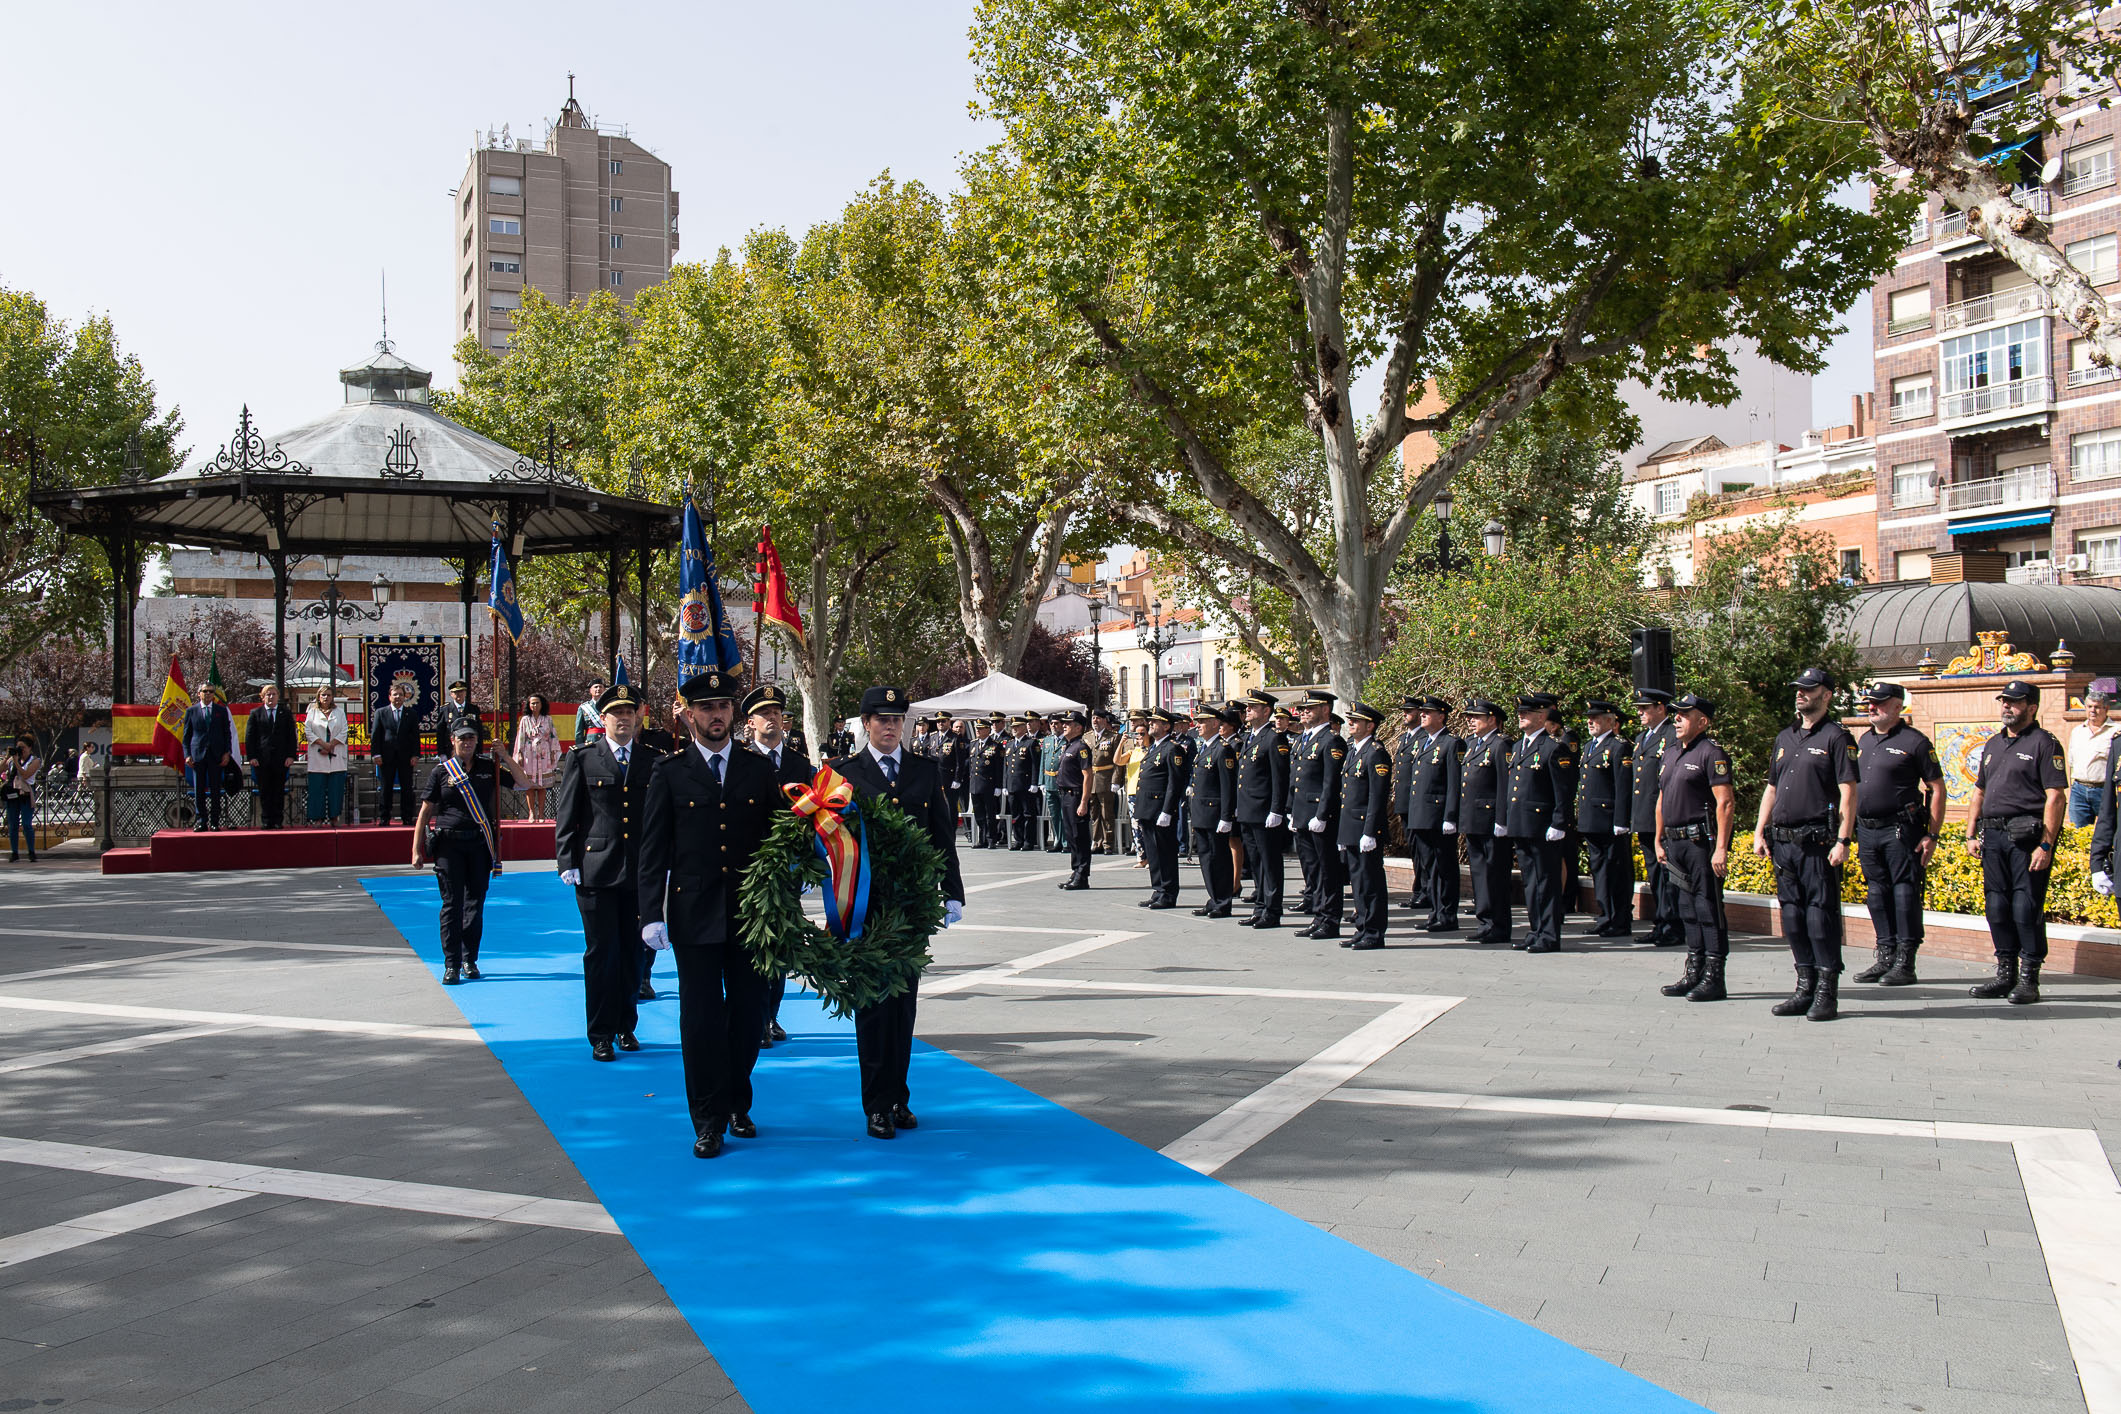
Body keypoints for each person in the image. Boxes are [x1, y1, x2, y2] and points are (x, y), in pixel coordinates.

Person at [639, 669, 781, 1157]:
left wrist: (790, 884)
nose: (716, 715)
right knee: (699, 1020)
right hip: (692, 914)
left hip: (749, 917)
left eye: (723, 707)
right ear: (689, 713)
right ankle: (707, 1119)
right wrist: (649, 915)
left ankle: (737, 1101)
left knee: (748, 1015)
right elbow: (653, 850)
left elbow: (773, 839)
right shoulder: (669, 771)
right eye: (706, 708)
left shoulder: (758, 769)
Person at [828, 685, 966, 1140]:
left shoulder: (925, 772)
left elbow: (942, 835)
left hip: (911, 906)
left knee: (903, 1006)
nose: (890, 727)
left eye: (897, 720)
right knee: (872, 1006)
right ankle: (876, 1105)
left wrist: (952, 891)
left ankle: (898, 1096)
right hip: (866, 906)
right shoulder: (845, 773)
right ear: (865, 723)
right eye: (881, 720)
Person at [555, 682, 663, 1061]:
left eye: (629, 713)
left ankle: (625, 1026)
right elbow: (568, 814)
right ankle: (600, 1032)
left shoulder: (653, 760)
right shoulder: (584, 757)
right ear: (603, 719)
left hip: (639, 872)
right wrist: (567, 860)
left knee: (634, 952)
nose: (624, 719)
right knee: (602, 954)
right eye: (616, 713)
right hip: (596, 871)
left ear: (638, 718)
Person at [1751, 668, 1860, 1021]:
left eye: (1809, 690)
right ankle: (1804, 986)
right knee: (1793, 917)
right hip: (1783, 842)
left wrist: (1843, 839)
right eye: (1798, 689)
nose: (1801, 694)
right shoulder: (1785, 737)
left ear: (1826, 695)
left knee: (1819, 916)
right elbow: (1771, 788)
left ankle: (1827, 991)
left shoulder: (1837, 738)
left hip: (1817, 841)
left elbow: (1848, 792)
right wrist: (1758, 831)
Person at [1966, 680, 2067, 1006]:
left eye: (2014, 702)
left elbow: (2056, 797)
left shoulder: (2044, 743)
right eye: (2004, 701)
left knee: (2026, 907)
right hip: (1992, 837)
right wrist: (1970, 833)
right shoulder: (1994, 743)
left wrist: (2046, 846)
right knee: (1997, 907)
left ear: (2032, 707)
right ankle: (2005, 972)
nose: (2006, 706)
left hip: (2025, 839)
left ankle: (2029, 978)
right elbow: (1979, 791)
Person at [1851, 682, 1945, 988]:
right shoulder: (1863, 740)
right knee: (1876, 893)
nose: (1871, 707)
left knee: (1904, 892)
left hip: (1900, 829)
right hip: (1867, 829)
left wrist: (1932, 834)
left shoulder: (1914, 742)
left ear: (1897, 706)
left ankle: (1906, 961)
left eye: (1878, 703)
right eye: (1869, 703)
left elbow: (1937, 788)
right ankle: (1885, 955)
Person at [411, 721, 517, 984]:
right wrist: (416, 850)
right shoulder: (441, 772)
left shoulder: (487, 767)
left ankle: (470, 959)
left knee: (475, 905)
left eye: (472, 738)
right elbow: (425, 811)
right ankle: (452, 964)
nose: (467, 743)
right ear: (453, 740)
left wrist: (503, 756)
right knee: (451, 905)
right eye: (462, 738)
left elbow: (523, 782)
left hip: (479, 845)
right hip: (448, 845)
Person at [743, 683, 814, 1047]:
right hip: (748, 871)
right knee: (754, 947)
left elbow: (817, 818)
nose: (772, 719)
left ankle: (771, 1016)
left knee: (782, 946)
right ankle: (752, 1017)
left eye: (776, 714)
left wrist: (809, 866)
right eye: (764, 714)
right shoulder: (739, 761)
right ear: (750, 722)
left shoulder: (800, 765)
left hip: (788, 870)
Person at [1655, 694, 1738, 1001]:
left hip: (1700, 843)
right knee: (1687, 909)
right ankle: (1694, 971)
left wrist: (1721, 848)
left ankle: (1715, 976)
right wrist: (1658, 838)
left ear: (1702, 721)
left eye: (1684, 715)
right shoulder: (1672, 752)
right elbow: (1662, 798)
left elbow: (1725, 802)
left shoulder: (1710, 753)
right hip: (1675, 843)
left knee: (1708, 908)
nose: (1676, 718)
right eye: (1675, 714)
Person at [1501, 693, 1577, 954]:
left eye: (1528, 713)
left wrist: (1559, 823)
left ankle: (1549, 934)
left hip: (1543, 826)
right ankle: (1535, 930)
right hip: (1522, 825)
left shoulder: (1554, 748)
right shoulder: (1519, 746)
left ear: (1543, 716)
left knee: (1547, 881)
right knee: (1531, 882)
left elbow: (1563, 792)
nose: (1521, 716)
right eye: (1520, 712)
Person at [1397, 696, 1463, 932]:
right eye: (1421, 712)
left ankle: (1447, 914)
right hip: (1421, 815)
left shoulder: (1451, 743)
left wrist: (1450, 816)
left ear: (1441, 716)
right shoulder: (1424, 742)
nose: (1422, 715)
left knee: (1444, 867)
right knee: (1429, 867)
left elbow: (1455, 784)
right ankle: (1436, 911)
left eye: (1428, 712)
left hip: (1438, 816)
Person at [1291, 691, 1348, 940]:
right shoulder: (1303, 739)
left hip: (1320, 816)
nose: (1305, 712)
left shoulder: (1331, 740)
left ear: (1326, 710)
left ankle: (1330, 919)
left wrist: (1322, 814)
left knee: (1328, 870)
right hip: (1303, 813)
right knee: (1313, 871)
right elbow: (1297, 779)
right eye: (1304, 709)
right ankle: (1318, 915)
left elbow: (1331, 782)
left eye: (1311, 708)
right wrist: (1292, 811)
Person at [1577, 701, 1636, 938]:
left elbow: (1623, 787)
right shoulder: (1589, 746)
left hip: (1611, 821)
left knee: (1617, 872)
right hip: (1593, 820)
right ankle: (1605, 916)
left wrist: (1622, 820)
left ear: (1611, 721)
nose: (1590, 721)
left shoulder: (1619, 746)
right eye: (1589, 717)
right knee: (1600, 871)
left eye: (1597, 717)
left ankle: (1620, 919)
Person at [1337, 703, 1393, 950]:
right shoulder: (1354, 751)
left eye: (1356, 721)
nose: (1351, 724)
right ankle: (1362, 927)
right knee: (1358, 883)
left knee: (1371, 883)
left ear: (1370, 726)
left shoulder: (1376, 752)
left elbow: (1376, 797)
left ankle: (1374, 931)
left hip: (1365, 829)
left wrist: (1370, 831)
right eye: (1350, 720)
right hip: (1350, 827)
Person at [1233, 689, 1291, 927]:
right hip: (1248, 810)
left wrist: (1277, 810)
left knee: (1270, 862)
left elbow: (1280, 778)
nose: (1248, 710)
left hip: (1265, 811)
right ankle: (1260, 906)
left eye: (1253, 707)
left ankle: (1272, 909)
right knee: (1256, 861)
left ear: (1266, 711)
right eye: (1248, 707)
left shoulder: (1274, 738)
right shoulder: (1250, 737)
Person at [1457, 700, 1512, 945]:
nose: (1471, 720)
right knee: (1480, 874)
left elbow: (1504, 785)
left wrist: (1502, 819)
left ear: (1492, 719)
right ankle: (1485, 921)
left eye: (1476, 717)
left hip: (1490, 820)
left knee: (1495, 875)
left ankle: (1498, 924)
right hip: (1473, 819)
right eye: (1470, 716)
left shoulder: (1500, 745)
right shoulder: (1470, 744)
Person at [1630, 689, 1682, 947]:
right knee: (1655, 873)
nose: (1640, 712)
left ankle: (1673, 924)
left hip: (1662, 815)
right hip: (1645, 816)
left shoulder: (1671, 735)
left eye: (1645, 708)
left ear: (1661, 708)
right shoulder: (1642, 738)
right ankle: (1661, 922)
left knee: (1667, 872)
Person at [1186, 703, 1239, 916]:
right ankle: (1214, 897)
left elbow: (1228, 786)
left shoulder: (1223, 749)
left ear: (1215, 723)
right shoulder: (1206, 747)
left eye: (1202, 721)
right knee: (1206, 858)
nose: (1198, 725)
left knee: (1219, 859)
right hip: (1202, 813)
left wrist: (1227, 816)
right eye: (1197, 721)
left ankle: (1223, 901)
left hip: (1215, 814)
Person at [182, 683, 237, 832]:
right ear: (199, 693)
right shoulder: (191, 711)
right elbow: (186, 736)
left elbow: (227, 733)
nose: (208, 694)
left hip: (216, 755)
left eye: (211, 692)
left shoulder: (221, 711)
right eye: (205, 691)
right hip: (198, 755)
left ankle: (214, 821)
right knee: (199, 788)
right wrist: (187, 755)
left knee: (215, 789)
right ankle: (201, 821)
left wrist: (227, 752)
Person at [369, 681, 423, 826]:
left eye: (400, 694)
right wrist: (376, 754)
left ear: (405, 697)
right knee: (386, 788)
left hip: (406, 757)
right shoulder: (381, 712)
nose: (398, 697)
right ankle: (384, 817)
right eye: (395, 694)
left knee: (407, 787)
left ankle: (407, 816)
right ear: (389, 697)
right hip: (386, 757)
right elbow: (376, 736)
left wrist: (415, 755)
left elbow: (415, 736)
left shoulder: (410, 714)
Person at [2067, 681, 2120, 827]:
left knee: (2110, 830)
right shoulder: (2077, 731)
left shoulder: (2116, 731)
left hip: (2105, 790)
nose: (2092, 711)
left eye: (2097, 707)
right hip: (2079, 790)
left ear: (2106, 708)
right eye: (2089, 707)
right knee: (2078, 834)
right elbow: (2071, 762)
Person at [244, 686, 298, 829]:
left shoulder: (285, 713)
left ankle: (278, 820)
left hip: (281, 759)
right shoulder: (255, 713)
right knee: (265, 791)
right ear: (262, 697)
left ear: (278, 696)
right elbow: (250, 736)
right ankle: (266, 820)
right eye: (268, 695)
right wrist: (252, 757)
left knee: (278, 790)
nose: (271, 697)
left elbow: (291, 736)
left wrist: (291, 756)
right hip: (262, 759)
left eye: (274, 694)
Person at [1054, 710, 1095, 889]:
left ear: (1078, 727)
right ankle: (1076, 870)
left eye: (1068, 724)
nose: (1064, 726)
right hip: (1065, 795)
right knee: (1071, 836)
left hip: (1076, 795)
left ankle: (1082, 874)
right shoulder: (1068, 745)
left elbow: (1088, 775)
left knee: (1080, 836)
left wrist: (1084, 801)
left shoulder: (1081, 747)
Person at [304, 686, 350, 826]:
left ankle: (334, 817)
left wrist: (331, 745)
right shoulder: (312, 712)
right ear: (318, 697)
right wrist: (323, 744)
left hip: (336, 754)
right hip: (318, 754)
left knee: (335, 789)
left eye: (329, 695)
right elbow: (308, 731)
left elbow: (344, 731)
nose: (326, 697)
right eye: (323, 695)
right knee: (317, 789)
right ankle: (317, 818)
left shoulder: (339, 712)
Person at [513, 693, 561, 820]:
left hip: (544, 753)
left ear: (542, 704)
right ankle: (531, 812)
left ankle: (541, 813)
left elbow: (553, 737)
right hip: (529, 753)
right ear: (529, 705)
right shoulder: (524, 720)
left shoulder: (548, 719)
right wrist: (520, 754)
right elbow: (521, 737)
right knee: (529, 784)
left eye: (537, 703)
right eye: (532, 703)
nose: (534, 705)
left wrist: (552, 752)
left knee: (542, 785)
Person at [969, 714, 1005, 848]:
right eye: (977, 728)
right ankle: (982, 838)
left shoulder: (995, 746)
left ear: (988, 730)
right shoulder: (973, 744)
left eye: (981, 728)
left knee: (990, 814)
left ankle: (991, 839)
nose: (978, 731)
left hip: (988, 785)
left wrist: (998, 786)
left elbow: (999, 768)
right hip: (975, 784)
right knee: (979, 814)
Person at [1005, 715, 1041, 850]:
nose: (1014, 729)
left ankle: (1028, 841)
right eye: (1013, 727)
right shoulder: (1009, 744)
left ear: (1024, 727)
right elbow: (1006, 767)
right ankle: (1018, 839)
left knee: (1028, 814)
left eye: (1017, 726)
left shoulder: (1031, 743)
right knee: (1016, 814)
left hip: (1026, 784)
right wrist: (1005, 784)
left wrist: (1034, 783)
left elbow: (1034, 765)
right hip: (1012, 785)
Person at [4, 736, 40, 863]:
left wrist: (16, 762)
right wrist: (7, 757)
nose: (21, 750)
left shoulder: (35, 761)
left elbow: (26, 775)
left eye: (23, 747)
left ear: (30, 747)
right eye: (19, 747)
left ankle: (31, 852)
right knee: (12, 825)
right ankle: (14, 852)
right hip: (13, 794)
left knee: (26, 824)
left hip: (25, 794)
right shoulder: (12, 760)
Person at [1040, 714, 1068, 852]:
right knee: (1054, 814)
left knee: (1064, 814)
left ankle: (1066, 842)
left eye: (1056, 723)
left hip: (1062, 783)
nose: (1053, 726)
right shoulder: (1047, 740)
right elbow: (1043, 762)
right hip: (1049, 782)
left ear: (1063, 725)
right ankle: (1058, 840)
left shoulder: (1067, 741)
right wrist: (1041, 782)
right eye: (1051, 723)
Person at [439, 679, 487, 745]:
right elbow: (440, 732)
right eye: (456, 692)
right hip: (451, 748)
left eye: (461, 691)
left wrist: (479, 750)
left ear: (465, 693)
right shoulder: (445, 709)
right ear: (451, 694)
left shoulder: (474, 709)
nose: (459, 694)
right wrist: (441, 753)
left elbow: (479, 730)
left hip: (470, 747)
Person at [574, 682, 607, 748]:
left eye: (600, 687)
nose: (598, 689)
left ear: (604, 690)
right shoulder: (583, 707)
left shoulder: (609, 706)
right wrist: (580, 748)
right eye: (596, 687)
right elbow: (579, 732)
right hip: (591, 742)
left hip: (608, 741)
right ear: (590, 690)